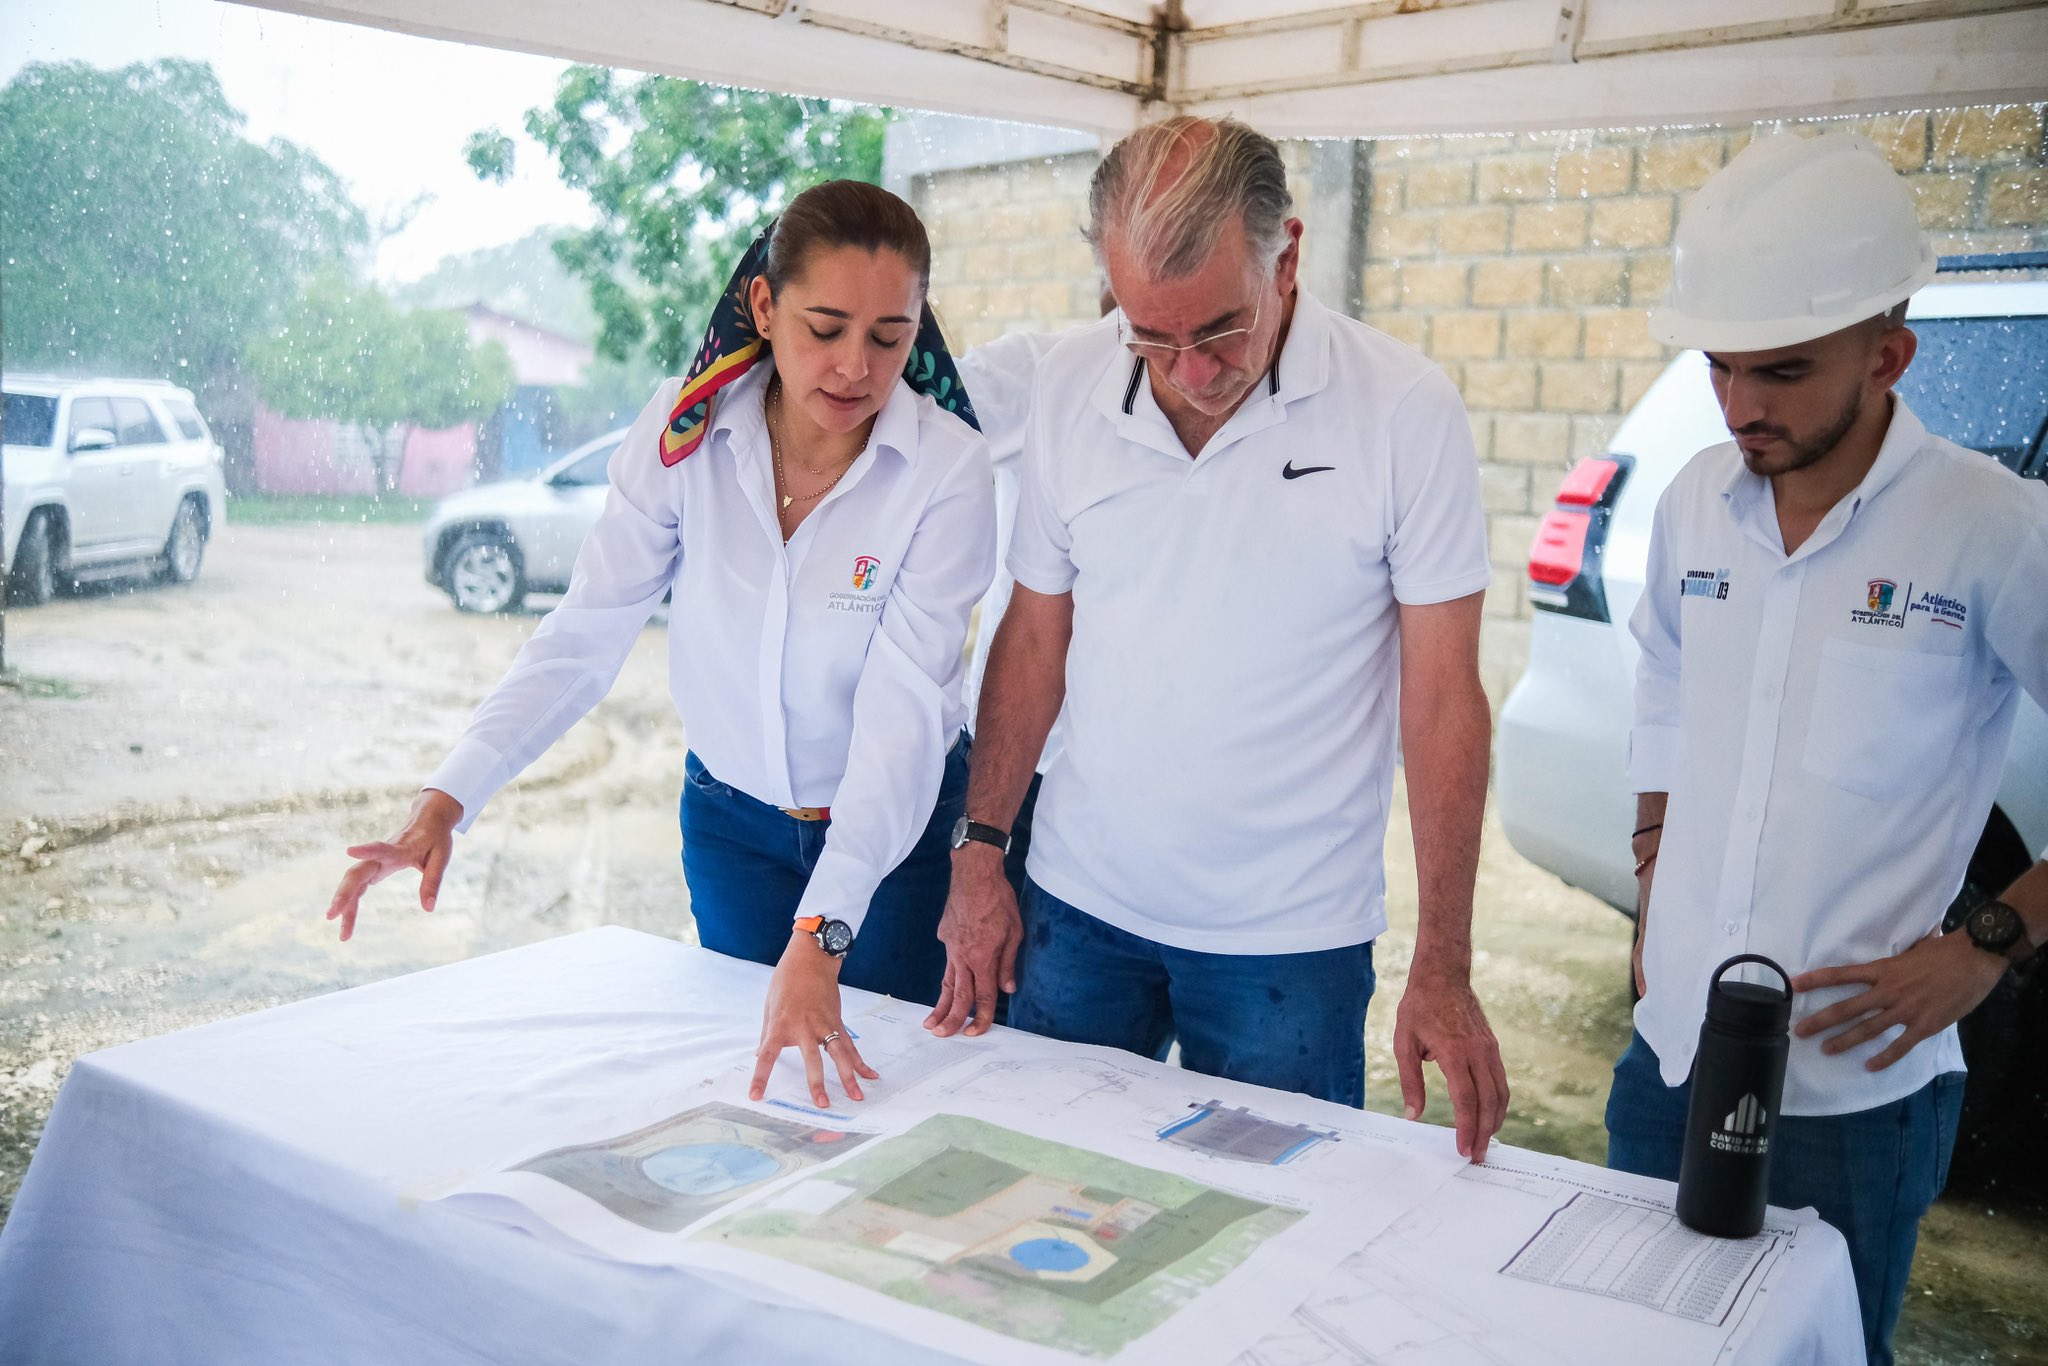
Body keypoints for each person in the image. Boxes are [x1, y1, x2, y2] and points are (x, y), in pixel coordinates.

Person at [325, 180, 997, 1112]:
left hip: (896, 838)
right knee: (757, 1084)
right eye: (826, 327)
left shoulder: (948, 469)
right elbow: (589, 628)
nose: (855, 367)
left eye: (890, 337)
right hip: (732, 828)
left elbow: (904, 713)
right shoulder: (685, 433)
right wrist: (448, 797)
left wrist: (825, 930)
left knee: (882, 1095)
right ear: (764, 306)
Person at [928, 116, 1508, 1160]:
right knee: (1028, 1184)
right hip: (1078, 901)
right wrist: (981, 853)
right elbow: (1030, 640)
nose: (1187, 373)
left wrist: (1444, 960)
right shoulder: (1070, 381)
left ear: (1286, 254)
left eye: (1219, 332)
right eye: (1148, 337)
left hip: (1285, 942)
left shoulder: (1401, 411)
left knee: (1269, 1227)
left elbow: (1441, 699)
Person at [1609, 131, 2048, 1365]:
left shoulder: (1988, 527)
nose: (1743, 406)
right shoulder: (1696, 496)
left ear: (1887, 353)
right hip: (1670, 1050)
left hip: (1851, 1097)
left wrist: (1986, 947)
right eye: (1719, 367)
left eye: (1783, 371)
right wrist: (1651, 865)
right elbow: (1663, 671)